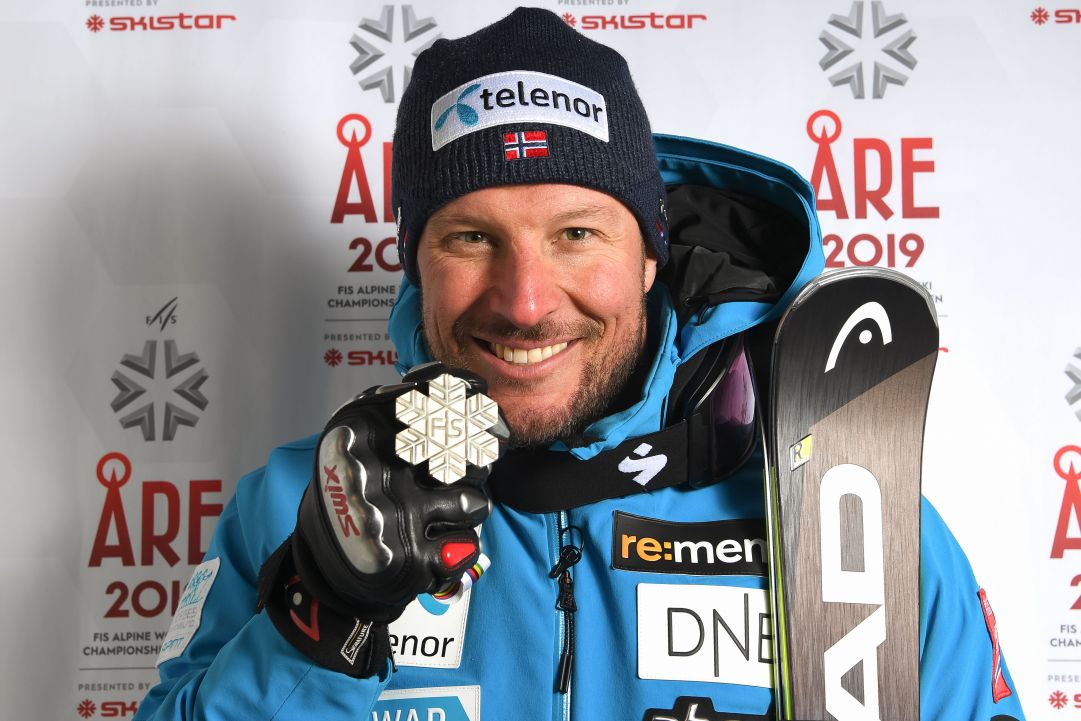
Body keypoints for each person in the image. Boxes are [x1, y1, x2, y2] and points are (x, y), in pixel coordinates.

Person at [135, 8, 1026, 721]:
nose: (525, 300)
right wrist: (316, 620)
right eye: (472, 237)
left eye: (575, 234)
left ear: (648, 256)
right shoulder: (304, 504)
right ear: (416, 264)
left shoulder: (847, 513)